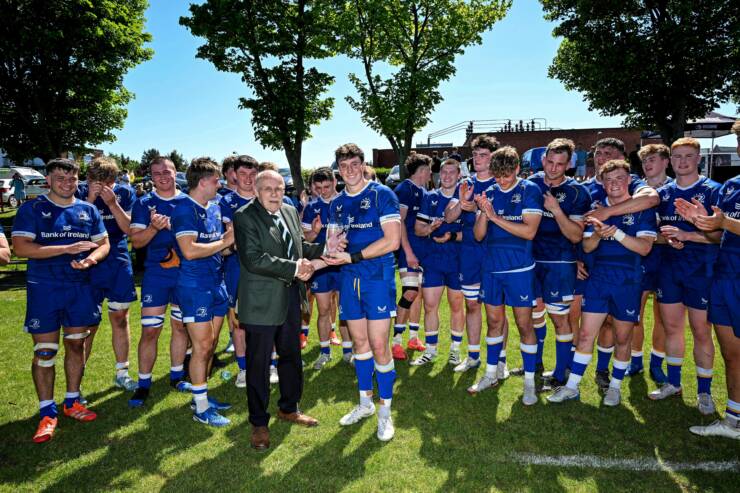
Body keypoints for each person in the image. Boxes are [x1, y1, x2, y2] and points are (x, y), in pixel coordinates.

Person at [12, 158, 110, 443]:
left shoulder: (87, 209)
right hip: (45, 287)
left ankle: (71, 401)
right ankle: (47, 412)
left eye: (71, 178)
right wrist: (66, 248)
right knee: (45, 351)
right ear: (48, 180)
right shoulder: (33, 209)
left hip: (81, 288)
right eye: (59, 178)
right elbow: (20, 248)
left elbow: (103, 243)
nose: (66, 184)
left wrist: (92, 258)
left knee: (77, 344)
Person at [548, 159, 656, 406]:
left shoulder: (641, 209)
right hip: (598, 280)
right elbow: (586, 245)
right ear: (602, 183)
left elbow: (645, 248)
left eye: (619, 178)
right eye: (608, 179)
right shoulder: (596, 209)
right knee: (586, 334)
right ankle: (572, 387)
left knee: (622, 337)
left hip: (628, 281)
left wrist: (616, 233)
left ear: (629, 180)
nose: (613, 184)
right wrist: (597, 233)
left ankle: (615, 388)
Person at [234, 169, 326, 450]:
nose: (275, 194)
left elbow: (298, 246)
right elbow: (253, 259)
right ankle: (259, 423)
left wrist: (325, 247)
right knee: (259, 364)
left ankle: (289, 407)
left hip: (290, 297)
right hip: (261, 302)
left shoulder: (288, 210)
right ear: (256, 190)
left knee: (291, 355)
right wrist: (296, 268)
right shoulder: (244, 216)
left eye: (279, 188)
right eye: (268, 189)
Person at [324, 143, 401, 442]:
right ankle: (365, 404)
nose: (349, 171)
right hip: (349, 278)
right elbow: (335, 240)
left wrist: (353, 257)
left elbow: (392, 241)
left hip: (377, 277)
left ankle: (385, 413)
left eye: (354, 164)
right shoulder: (337, 203)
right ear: (338, 170)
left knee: (380, 344)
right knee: (359, 344)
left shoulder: (382, 195)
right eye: (343, 167)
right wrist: (332, 248)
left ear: (363, 163)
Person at [576, 138, 659, 392]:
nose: (602, 157)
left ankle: (610, 379)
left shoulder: (637, 190)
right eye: (598, 153)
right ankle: (574, 383)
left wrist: (610, 220)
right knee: (588, 330)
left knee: (620, 329)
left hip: (628, 276)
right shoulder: (591, 193)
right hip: (596, 272)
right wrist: (584, 251)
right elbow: (583, 236)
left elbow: (651, 201)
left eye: (609, 153)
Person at [650, 137, 720, 414]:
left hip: (701, 270)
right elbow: (652, 234)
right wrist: (666, 239)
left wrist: (689, 234)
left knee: (702, 331)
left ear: (698, 158)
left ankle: (704, 392)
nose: (682, 161)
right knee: (672, 328)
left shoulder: (713, 190)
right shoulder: (663, 194)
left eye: (688, 156)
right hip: (670, 269)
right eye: (677, 156)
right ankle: (674, 383)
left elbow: (720, 236)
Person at [679, 122, 740, 438]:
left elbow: (728, 224)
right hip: (725, 275)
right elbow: (719, 233)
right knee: (732, 353)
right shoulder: (730, 186)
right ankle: (733, 421)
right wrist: (700, 223)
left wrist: (723, 222)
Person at [469, 146, 542, 405]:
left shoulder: (530, 190)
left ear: (517, 169)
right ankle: (491, 374)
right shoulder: (489, 192)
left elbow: (529, 232)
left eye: (506, 176)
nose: (501, 181)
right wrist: (483, 213)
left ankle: (531, 382)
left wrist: (494, 217)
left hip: (519, 269)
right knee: (494, 323)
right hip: (491, 268)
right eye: (497, 176)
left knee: (524, 325)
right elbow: (478, 236)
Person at [172, 157, 234, 427]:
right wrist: (224, 241)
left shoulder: (214, 208)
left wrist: (232, 244)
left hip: (216, 282)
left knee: (210, 346)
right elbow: (189, 250)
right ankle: (200, 407)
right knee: (202, 346)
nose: (219, 184)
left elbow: (221, 247)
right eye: (216, 180)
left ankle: (203, 395)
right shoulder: (184, 209)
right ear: (202, 182)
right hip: (194, 286)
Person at [128, 156, 190, 407]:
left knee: (180, 327)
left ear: (176, 172)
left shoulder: (189, 201)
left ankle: (177, 375)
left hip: (186, 273)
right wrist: (154, 228)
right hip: (156, 275)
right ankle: (143, 384)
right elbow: (137, 242)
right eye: (156, 173)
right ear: (151, 177)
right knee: (151, 330)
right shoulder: (144, 203)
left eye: (167, 171)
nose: (162, 176)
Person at [528, 139, 591, 389]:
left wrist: (555, 209)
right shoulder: (530, 185)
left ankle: (560, 372)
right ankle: (535, 364)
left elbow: (576, 235)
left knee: (559, 318)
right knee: (534, 314)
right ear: (543, 160)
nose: (553, 168)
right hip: (530, 261)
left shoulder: (577, 192)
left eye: (560, 164)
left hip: (559, 261)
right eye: (550, 162)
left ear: (568, 165)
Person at [445, 135, 507, 376]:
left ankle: (501, 360)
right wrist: (464, 204)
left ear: (494, 158)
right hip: (470, 253)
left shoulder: (502, 184)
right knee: (472, 306)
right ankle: (473, 356)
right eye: (476, 155)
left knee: (497, 310)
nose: (479, 159)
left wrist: (480, 209)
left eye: (484, 155)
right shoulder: (466, 183)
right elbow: (450, 217)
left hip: (495, 253)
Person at [77, 157, 138, 392]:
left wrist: (113, 204)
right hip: (88, 257)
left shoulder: (124, 192)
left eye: (107, 181)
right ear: (89, 178)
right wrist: (90, 200)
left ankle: (122, 372)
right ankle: (77, 380)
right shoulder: (80, 191)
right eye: (95, 180)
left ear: (113, 179)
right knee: (86, 322)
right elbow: (75, 230)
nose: (102, 185)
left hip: (117, 258)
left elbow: (128, 229)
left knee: (120, 317)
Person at [412, 158, 465, 366]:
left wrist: (451, 236)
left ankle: (455, 350)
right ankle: (431, 350)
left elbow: (472, 232)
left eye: (452, 172)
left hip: (458, 260)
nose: (448, 176)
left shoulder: (465, 198)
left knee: (456, 306)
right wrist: (431, 228)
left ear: (459, 175)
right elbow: (418, 229)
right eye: (444, 172)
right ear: (438, 174)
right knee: (430, 305)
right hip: (433, 260)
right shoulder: (430, 197)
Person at [627, 144, 673, 383]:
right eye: (644, 160)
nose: (648, 164)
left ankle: (657, 363)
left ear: (666, 161)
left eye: (652, 159)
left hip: (670, 260)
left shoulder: (676, 189)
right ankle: (635, 360)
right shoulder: (638, 189)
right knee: (635, 312)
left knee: (663, 316)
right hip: (643, 257)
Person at [301, 167, 352, 369]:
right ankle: (324, 352)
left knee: (345, 309)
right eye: (319, 187)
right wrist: (314, 231)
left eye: (327, 186)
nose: (323, 191)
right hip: (321, 266)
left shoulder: (347, 203)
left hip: (342, 264)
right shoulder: (312, 208)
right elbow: (305, 240)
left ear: (334, 181)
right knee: (323, 309)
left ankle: (348, 352)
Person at [219, 155, 260, 388]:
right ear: (234, 174)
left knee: (270, 316)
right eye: (242, 174)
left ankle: (271, 364)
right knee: (238, 322)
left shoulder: (267, 196)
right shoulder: (226, 202)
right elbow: (229, 240)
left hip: (266, 268)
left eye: (252, 174)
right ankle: (244, 369)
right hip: (236, 267)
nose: (247, 179)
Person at [391, 153, 431, 360]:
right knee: (409, 292)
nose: (430, 173)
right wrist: (408, 252)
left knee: (419, 294)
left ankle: (413, 338)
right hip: (409, 252)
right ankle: (395, 342)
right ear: (422, 170)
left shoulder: (423, 191)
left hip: (422, 251)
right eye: (428, 169)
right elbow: (399, 224)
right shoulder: (404, 189)